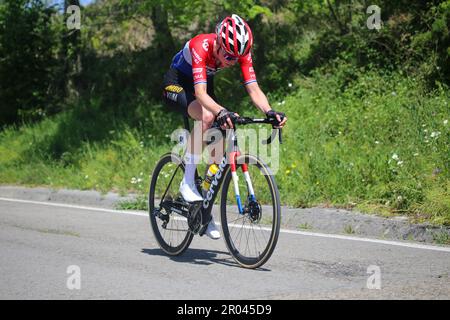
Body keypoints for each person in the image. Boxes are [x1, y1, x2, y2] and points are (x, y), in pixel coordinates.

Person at [162, 14, 287, 240]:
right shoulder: (201, 45)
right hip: (177, 83)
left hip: (202, 84)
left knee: (224, 130)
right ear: (218, 42)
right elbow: (199, 94)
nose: (232, 60)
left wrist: (269, 112)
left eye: (237, 57)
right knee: (209, 116)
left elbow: (254, 89)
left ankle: (202, 210)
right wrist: (220, 111)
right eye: (228, 55)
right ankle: (187, 182)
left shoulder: (241, 51)